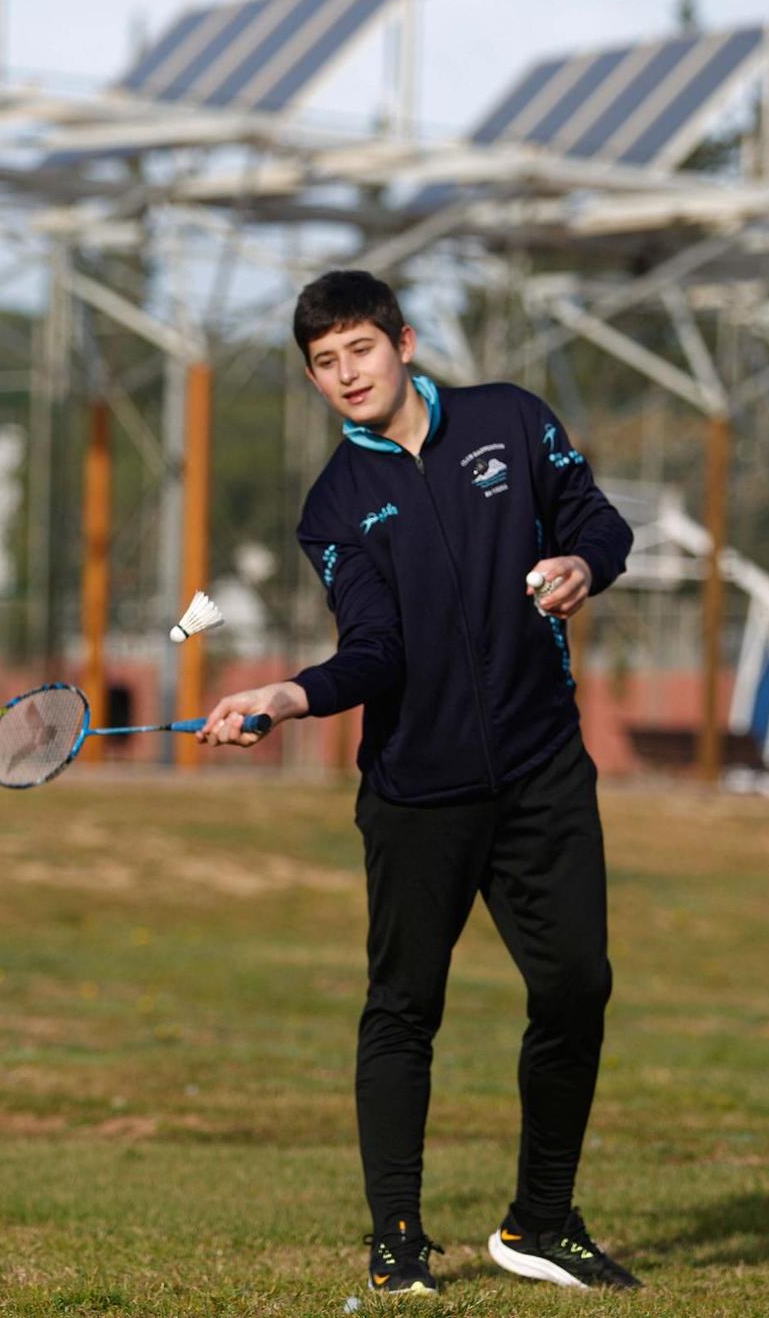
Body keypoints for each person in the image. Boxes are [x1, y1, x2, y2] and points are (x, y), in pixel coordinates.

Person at [199, 271, 641, 1296]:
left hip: (541, 770)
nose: (344, 374)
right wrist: (290, 692)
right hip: (417, 791)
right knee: (403, 1007)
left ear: (401, 341)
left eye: (358, 348)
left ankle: (540, 1222)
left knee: (577, 984)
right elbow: (377, 652)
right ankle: (397, 1239)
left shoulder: (510, 421)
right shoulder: (335, 505)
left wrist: (582, 564)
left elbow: (601, 524)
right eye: (322, 362)